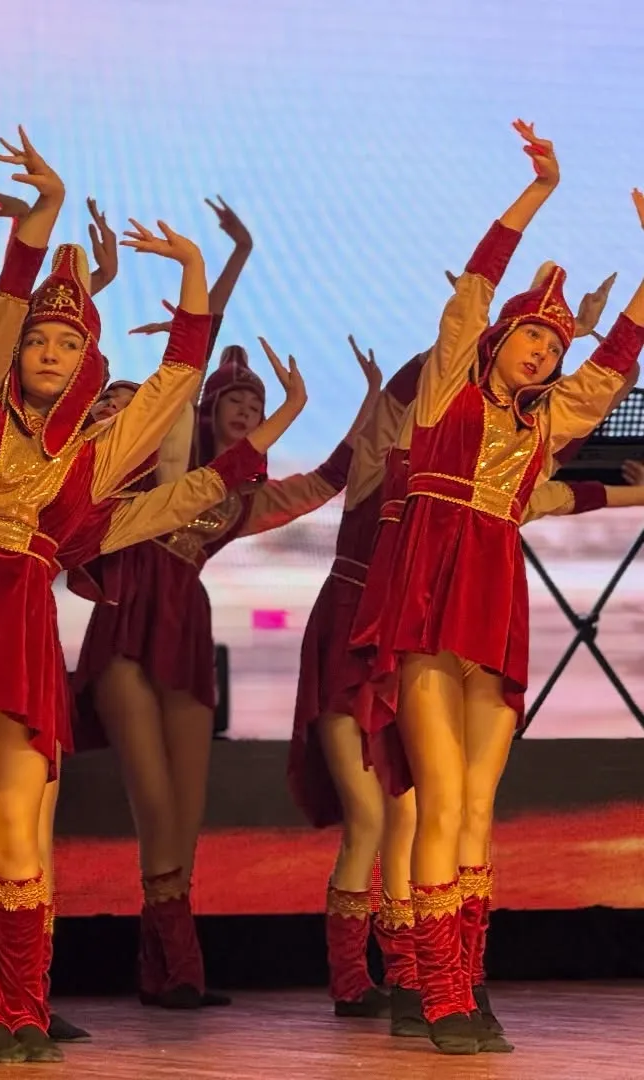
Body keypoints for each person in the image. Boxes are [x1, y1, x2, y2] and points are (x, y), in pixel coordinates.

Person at [0, 127, 211, 1064]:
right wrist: (46, 213)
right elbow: (8, 297)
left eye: (69, 342)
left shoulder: (96, 452)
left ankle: (25, 1007)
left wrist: (192, 270)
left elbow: (176, 381)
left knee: (20, 835)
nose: (50, 350)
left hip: (17, 632)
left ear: (88, 360)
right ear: (15, 353)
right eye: (39, 340)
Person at [355, 121, 644, 1055]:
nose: (543, 354)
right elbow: (474, 288)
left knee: (477, 807)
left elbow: (612, 368)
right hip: (429, 596)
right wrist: (539, 191)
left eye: (553, 348)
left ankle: (464, 983)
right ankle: (436, 991)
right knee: (440, 799)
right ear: (497, 339)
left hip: (495, 604)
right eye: (530, 335)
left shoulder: (538, 433)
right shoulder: (449, 392)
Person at [70, 328, 374, 1009]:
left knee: (186, 814)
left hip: (185, 631)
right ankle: (179, 966)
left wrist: (373, 399)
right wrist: (212, 291)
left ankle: (166, 971)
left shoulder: (237, 500)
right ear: (208, 409)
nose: (246, 410)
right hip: (127, 622)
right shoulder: (160, 466)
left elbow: (326, 480)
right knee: (154, 804)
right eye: (236, 400)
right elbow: (183, 382)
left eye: (255, 403)